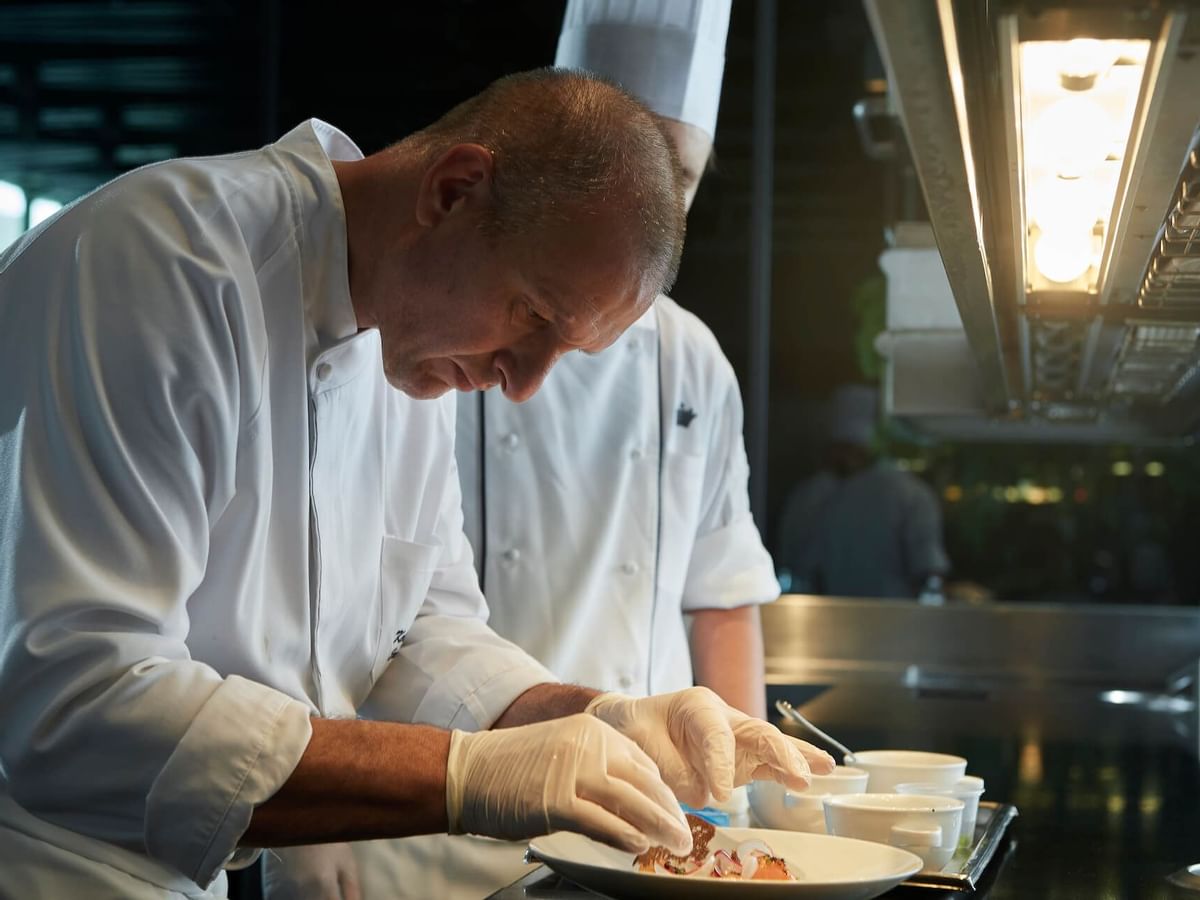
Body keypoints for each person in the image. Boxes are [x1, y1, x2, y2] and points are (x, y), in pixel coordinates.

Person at [0, 69, 834, 900]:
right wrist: (463, 775)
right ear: (454, 190)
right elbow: (77, 701)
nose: (523, 383)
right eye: (534, 314)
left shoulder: (407, 347)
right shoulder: (167, 262)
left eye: (565, 351)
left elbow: (420, 629)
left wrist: (594, 717)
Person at [261, 3, 783, 897]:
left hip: (631, 808)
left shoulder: (694, 360)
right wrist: (307, 814)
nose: (648, 198)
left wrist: (717, 785)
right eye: (626, 156)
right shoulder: (420, 324)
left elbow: (719, 592)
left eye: (678, 177)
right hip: (406, 818)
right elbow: (319, 602)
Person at [776, 384, 950, 599]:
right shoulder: (912, 494)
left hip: (839, 622)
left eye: (846, 450)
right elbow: (929, 575)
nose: (842, 459)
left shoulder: (807, 497)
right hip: (887, 622)